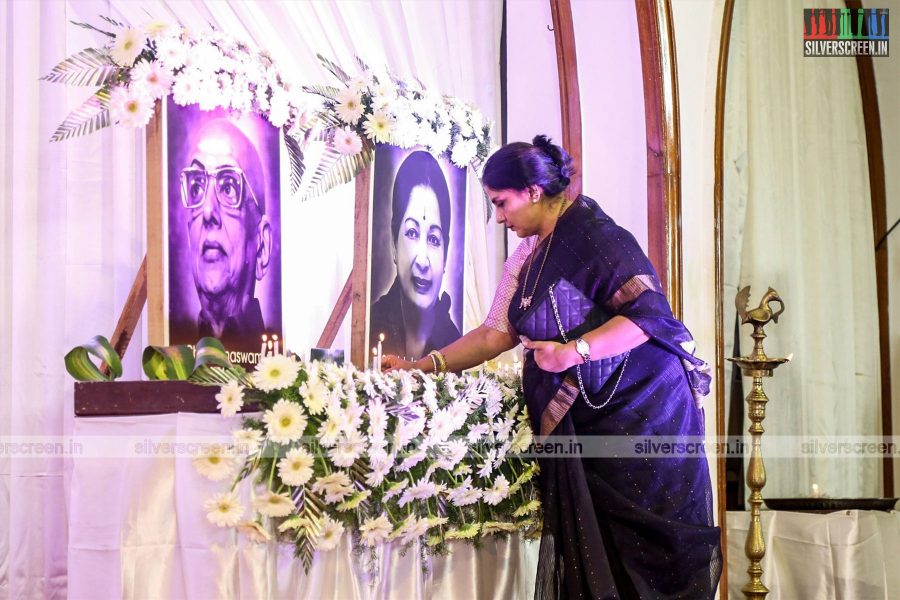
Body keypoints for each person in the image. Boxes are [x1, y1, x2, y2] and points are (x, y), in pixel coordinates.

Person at [383, 136, 721, 599]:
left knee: (650, 562)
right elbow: (493, 335)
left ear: (534, 191)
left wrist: (572, 352)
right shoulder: (526, 257)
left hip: (646, 416)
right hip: (589, 429)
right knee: (600, 559)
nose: (500, 217)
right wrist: (423, 366)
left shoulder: (597, 237)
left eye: (502, 203)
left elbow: (648, 319)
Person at [182, 118, 272, 349]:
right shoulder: (172, 348)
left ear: (262, 246)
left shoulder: (279, 367)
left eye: (228, 187)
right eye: (197, 187)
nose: (208, 211)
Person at [370, 150, 461, 359]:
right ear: (394, 243)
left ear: (445, 254)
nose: (422, 260)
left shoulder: (456, 346)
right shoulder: (368, 327)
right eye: (412, 233)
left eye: (434, 239)